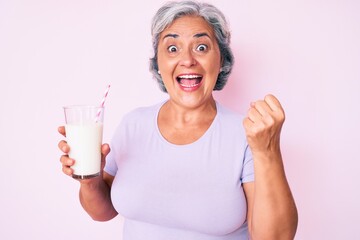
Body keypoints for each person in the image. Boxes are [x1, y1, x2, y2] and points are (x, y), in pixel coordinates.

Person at [58, 1, 298, 239]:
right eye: (173, 48)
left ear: (221, 60)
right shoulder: (133, 125)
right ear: (158, 64)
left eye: (201, 47)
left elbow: (275, 238)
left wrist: (267, 150)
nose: (187, 60)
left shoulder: (248, 134)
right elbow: (102, 212)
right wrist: (90, 180)